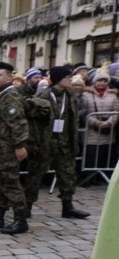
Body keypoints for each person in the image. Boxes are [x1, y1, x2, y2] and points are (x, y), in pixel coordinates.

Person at [25, 65, 90, 219]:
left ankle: (68, 206)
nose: (70, 79)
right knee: (35, 176)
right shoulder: (43, 95)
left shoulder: (71, 95)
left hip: (64, 142)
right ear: (58, 79)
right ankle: (26, 207)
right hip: (45, 143)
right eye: (67, 77)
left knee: (68, 175)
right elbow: (32, 118)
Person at [0, 62, 30, 234]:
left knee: (11, 183)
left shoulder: (10, 96)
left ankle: (20, 219)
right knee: (1, 182)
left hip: (8, 148)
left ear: (10, 76)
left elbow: (17, 122)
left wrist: (19, 145)